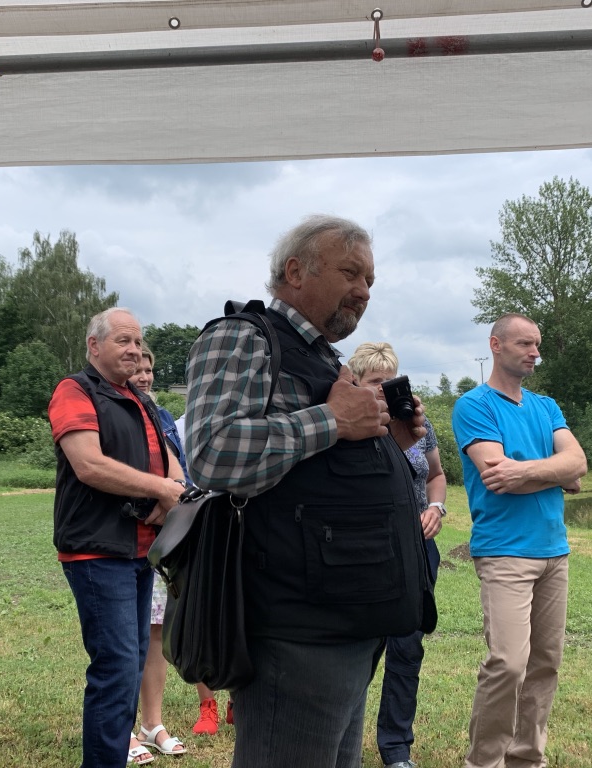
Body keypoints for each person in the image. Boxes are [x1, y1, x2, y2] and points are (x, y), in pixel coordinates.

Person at [184, 214, 431, 768]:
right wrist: (332, 421)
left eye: (370, 280)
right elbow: (211, 454)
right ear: (296, 272)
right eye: (351, 273)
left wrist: (386, 443)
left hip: (345, 619)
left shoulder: (324, 358)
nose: (364, 291)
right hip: (297, 631)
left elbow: (319, 470)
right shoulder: (242, 337)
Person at [49, 308, 187, 768]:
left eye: (138, 342)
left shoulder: (139, 398)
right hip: (97, 550)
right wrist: (160, 489)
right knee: (117, 666)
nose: (134, 350)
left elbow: (169, 459)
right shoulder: (75, 390)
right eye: (123, 341)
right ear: (94, 345)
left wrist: (173, 492)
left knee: (131, 663)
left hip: (140, 550)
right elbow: (88, 465)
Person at [451, 312, 587, 768]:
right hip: (504, 551)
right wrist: (556, 473)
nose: (535, 353)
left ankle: (527, 759)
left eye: (537, 344)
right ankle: (484, 762)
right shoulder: (474, 405)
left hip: (554, 550)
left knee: (545, 663)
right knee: (508, 663)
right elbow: (497, 477)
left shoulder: (546, 406)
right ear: (496, 345)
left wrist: (528, 471)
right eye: (525, 344)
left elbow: (579, 465)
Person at [347, 342, 446, 768]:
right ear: (355, 383)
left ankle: (396, 747)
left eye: (391, 381)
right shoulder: (351, 427)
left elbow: (436, 474)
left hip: (418, 547)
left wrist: (436, 507)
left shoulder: (417, 423)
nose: (385, 390)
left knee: (408, 647)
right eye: (375, 382)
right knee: (360, 650)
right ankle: (344, 741)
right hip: (367, 549)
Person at [130, 347, 224, 753]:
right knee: (133, 635)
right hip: (134, 537)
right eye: (136, 368)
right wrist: (157, 504)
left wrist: (176, 506)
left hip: (176, 536)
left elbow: (179, 476)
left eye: (149, 368)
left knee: (164, 629)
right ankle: (129, 728)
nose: (144, 375)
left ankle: (152, 724)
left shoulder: (162, 418)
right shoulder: (117, 413)